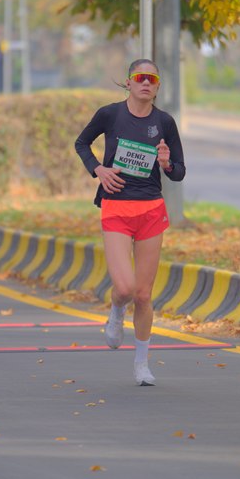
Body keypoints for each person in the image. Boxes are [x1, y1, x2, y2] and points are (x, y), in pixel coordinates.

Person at [75, 59, 186, 386]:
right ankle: (115, 310)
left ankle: (141, 364)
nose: (146, 83)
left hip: (151, 209)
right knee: (124, 288)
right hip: (116, 207)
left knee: (143, 294)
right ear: (128, 82)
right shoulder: (110, 114)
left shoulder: (164, 122)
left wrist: (167, 163)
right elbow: (81, 143)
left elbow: (179, 172)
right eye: (140, 77)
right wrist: (98, 169)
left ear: (157, 86)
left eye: (152, 79)